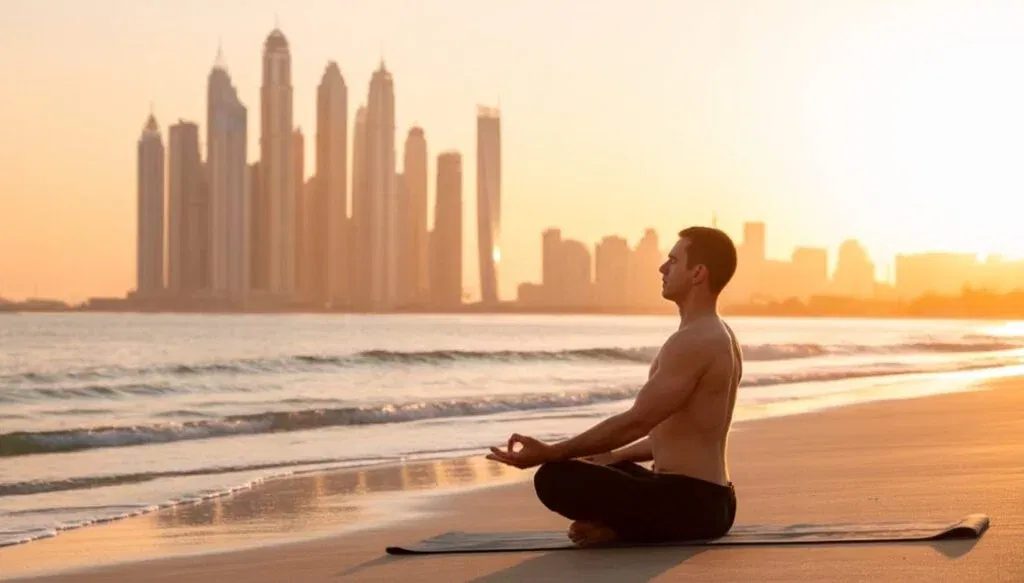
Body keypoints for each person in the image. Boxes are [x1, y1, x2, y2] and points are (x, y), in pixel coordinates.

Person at [486, 226, 743, 546]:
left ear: (698, 274)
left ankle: (624, 530)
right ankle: (625, 527)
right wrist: (612, 456)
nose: (663, 268)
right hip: (712, 501)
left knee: (555, 476)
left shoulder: (694, 340)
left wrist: (551, 452)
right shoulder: (719, 334)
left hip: (692, 503)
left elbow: (638, 421)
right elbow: (680, 434)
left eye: (673, 261)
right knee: (601, 464)